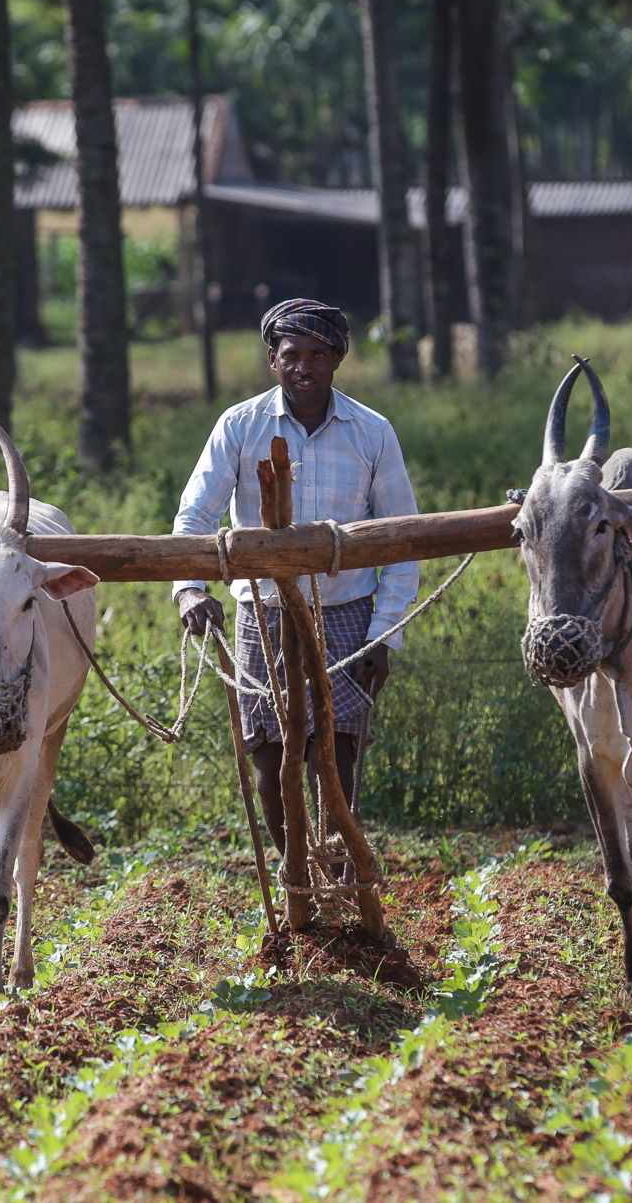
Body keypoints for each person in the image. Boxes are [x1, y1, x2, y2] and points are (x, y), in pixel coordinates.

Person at [171, 298, 419, 853]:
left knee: (339, 750)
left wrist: (384, 635)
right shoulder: (239, 426)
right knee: (268, 753)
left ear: (337, 359)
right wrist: (189, 590)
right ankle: (294, 876)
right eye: (292, 355)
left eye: (317, 354)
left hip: (348, 613)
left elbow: (403, 538)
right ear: (272, 360)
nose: (304, 366)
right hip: (262, 612)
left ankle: (337, 861)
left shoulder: (372, 432)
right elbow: (194, 518)